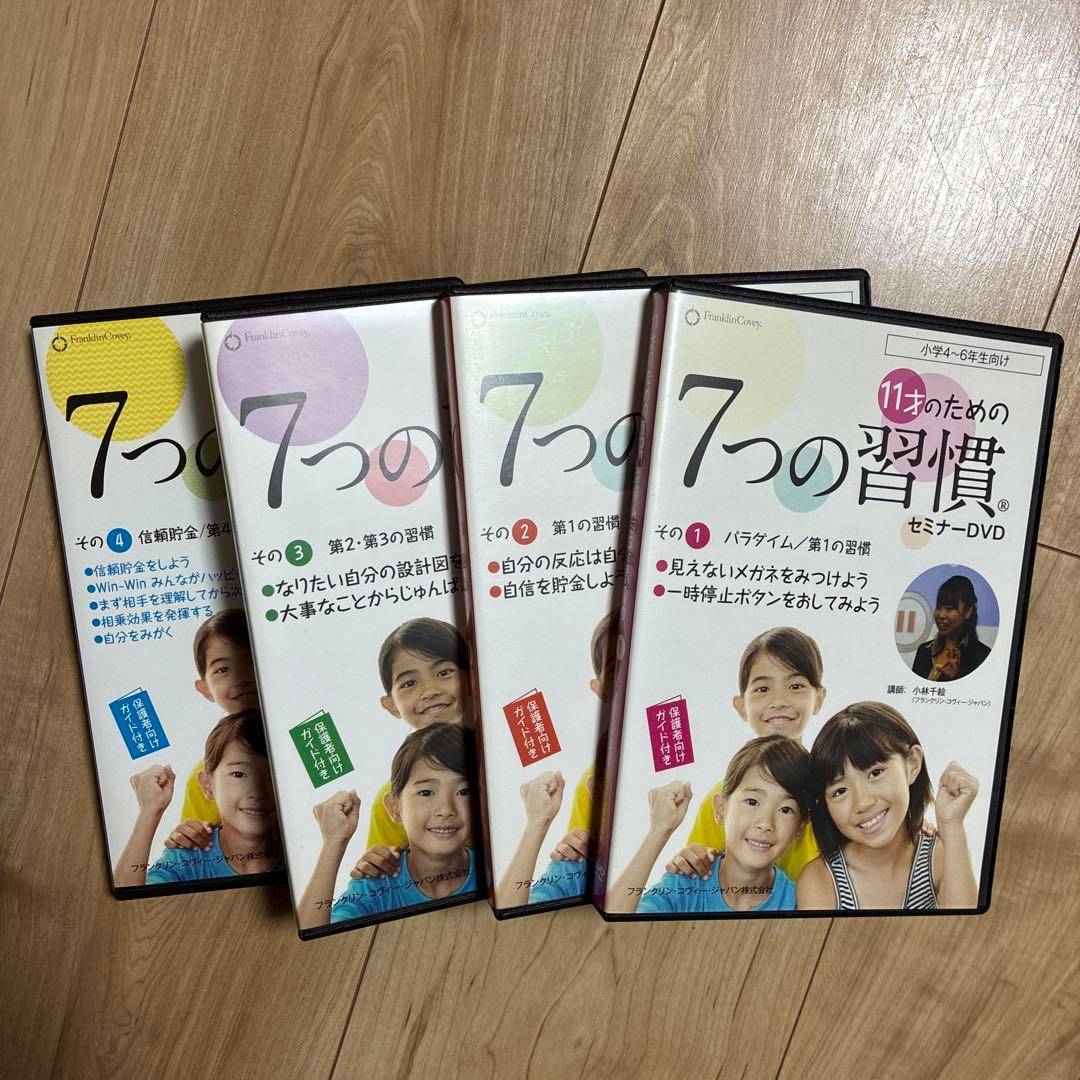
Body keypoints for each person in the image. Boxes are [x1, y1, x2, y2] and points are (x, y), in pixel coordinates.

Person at [664, 627, 827, 883]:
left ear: (818, 699)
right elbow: (700, 875)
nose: (779, 701)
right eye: (762, 689)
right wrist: (691, 860)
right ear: (741, 706)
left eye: (795, 686)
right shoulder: (724, 799)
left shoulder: (831, 794)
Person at [797, 702, 979, 911]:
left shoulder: (939, 856)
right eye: (840, 791)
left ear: (912, 764)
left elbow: (967, 925)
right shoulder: (819, 879)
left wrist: (952, 825)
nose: (862, 803)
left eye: (875, 773)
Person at [298, 723, 478, 928]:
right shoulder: (374, 887)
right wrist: (333, 842)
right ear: (395, 807)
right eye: (426, 792)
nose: (446, 809)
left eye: (464, 792)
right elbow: (313, 939)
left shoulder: (492, 873)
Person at [606, 736, 811, 914]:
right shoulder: (684, 886)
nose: (765, 823)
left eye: (786, 809)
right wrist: (659, 831)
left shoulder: (801, 903)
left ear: (801, 826)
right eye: (752, 801)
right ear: (721, 808)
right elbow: (609, 931)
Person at [347, 618, 473, 881]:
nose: (430, 691)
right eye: (409, 683)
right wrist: (376, 863)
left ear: (473, 678)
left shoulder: (501, 759)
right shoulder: (397, 798)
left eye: (443, 672)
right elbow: (388, 872)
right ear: (391, 705)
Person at [113, 709, 280, 886]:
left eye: (273, 774)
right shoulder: (187, 857)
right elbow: (127, 899)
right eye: (238, 774)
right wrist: (149, 811)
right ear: (207, 784)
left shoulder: (297, 848)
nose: (257, 792)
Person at [165, 609, 260, 853]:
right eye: (223, 669)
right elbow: (200, 845)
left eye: (253, 660)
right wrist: (188, 835)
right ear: (205, 689)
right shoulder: (207, 775)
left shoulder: (310, 739)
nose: (242, 677)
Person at [912, 575, 991, 682]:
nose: (941, 615)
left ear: (968, 611)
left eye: (949, 609)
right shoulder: (923, 650)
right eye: (938, 607)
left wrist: (955, 677)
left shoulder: (982, 655)